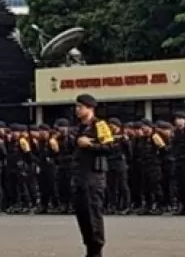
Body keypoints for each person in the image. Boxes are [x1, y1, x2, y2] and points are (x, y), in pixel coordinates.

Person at [72, 94, 113, 257]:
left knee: (92, 214)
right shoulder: (79, 127)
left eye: (80, 107)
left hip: (93, 178)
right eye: (76, 107)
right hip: (80, 177)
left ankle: (96, 250)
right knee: (82, 215)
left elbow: (110, 147)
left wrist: (90, 145)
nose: (77, 110)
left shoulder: (100, 125)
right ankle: (89, 248)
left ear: (90, 108)